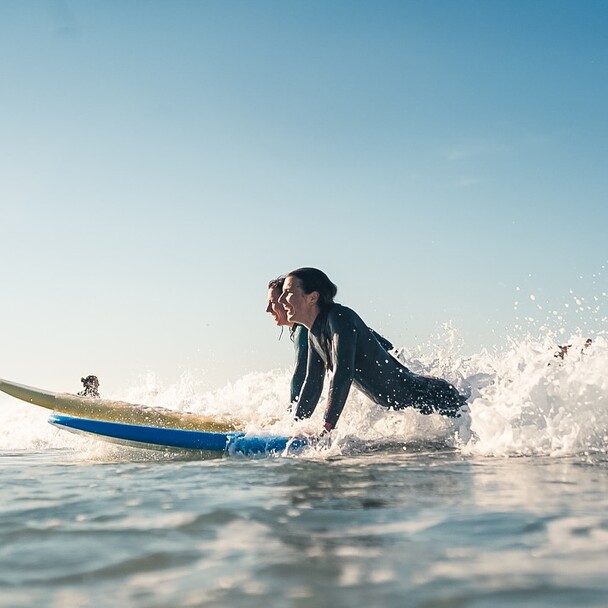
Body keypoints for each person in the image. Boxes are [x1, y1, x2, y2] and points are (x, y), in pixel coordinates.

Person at [278, 267, 468, 433]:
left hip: (431, 396)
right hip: (414, 406)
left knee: (478, 431)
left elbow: (343, 373)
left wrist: (326, 427)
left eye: (287, 292)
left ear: (313, 297)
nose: (281, 299)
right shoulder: (314, 335)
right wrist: (295, 426)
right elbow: (312, 384)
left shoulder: (340, 317)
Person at [266, 276, 308, 407]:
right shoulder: (300, 329)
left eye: (272, 302)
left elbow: (300, 375)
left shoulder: (303, 329)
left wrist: (293, 415)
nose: (268, 309)